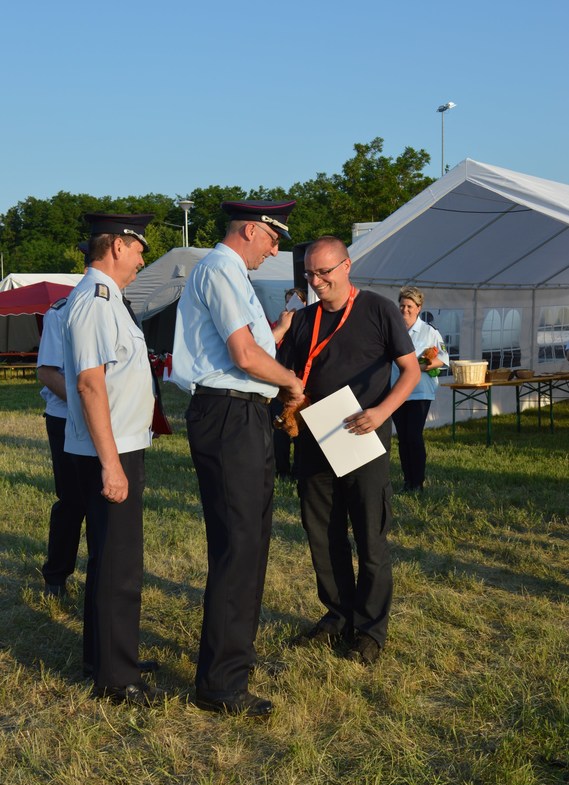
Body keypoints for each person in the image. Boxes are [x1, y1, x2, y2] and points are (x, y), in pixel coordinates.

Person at [171, 199, 305, 716]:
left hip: (241, 414)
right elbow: (244, 357)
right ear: (252, 229)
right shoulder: (222, 270)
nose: (273, 251)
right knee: (237, 545)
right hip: (229, 416)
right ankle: (221, 684)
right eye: (273, 240)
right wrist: (293, 382)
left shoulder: (230, 274)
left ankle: (233, 663)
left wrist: (278, 333)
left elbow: (249, 347)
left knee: (249, 542)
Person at [278, 236, 420, 665]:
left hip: (363, 438)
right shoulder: (304, 320)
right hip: (315, 440)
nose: (316, 280)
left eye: (323, 271)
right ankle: (338, 615)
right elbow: (284, 371)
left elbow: (410, 371)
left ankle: (371, 629)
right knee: (322, 535)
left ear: (346, 266)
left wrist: (381, 413)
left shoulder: (378, 310)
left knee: (370, 536)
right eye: (309, 273)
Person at [62, 213, 165, 706]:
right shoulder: (95, 302)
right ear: (118, 246)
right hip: (111, 450)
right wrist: (111, 464)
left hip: (119, 445)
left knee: (110, 560)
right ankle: (115, 677)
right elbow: (89, 383)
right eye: (139, 248)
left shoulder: (107, 301)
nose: (143, 259)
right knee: (119, 567)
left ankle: (107, 656)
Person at [37, 288, 90, 599]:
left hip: (109, 420)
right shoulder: (63, 310)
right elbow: (47, 372)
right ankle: (56, 577)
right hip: (66, 416)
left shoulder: (118, 306)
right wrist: (87, 410)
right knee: (72, 500)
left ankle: (102, 576)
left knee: (103, 504)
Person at [391, 286, 449, 492]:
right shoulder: (393, 329)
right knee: (402, 438)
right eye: (402, 305)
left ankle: (418, 482)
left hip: (419, 391)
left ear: (419, 308)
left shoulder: (429, 331)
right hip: (396, 391)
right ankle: (407, 480)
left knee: (414, 436)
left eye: (409, 306)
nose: (405, 310)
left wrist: (418, 367)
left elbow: (442, 359)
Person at [271, 288, 307, 479]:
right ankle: (282, 470)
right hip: (280, 386)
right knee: (280, 432)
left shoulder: (308, 327)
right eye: (288, 302)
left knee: (300, 431)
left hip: (301, 385)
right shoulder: (279, 326)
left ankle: (299, 469)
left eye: (295, 302)